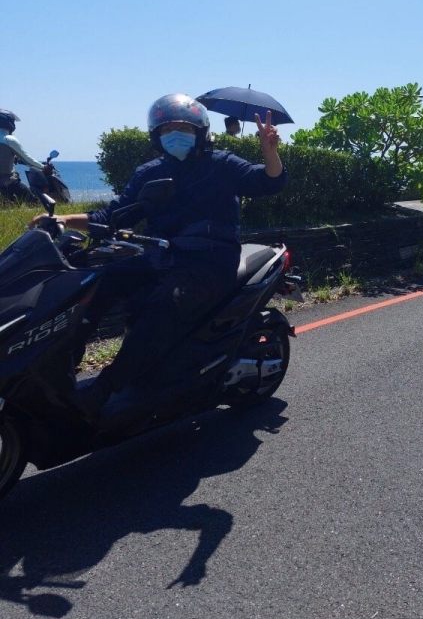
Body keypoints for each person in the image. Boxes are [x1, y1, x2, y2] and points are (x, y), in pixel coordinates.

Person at [32, 93, 286, 422]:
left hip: (209, 263)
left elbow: (269, 182)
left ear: (201, 131)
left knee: (165, 305)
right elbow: (112, 215)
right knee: (95, 281)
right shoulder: (149, 172)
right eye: (168, 129)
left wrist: (271, 153)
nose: (176, 134)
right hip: (161, 257)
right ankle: (63, 365)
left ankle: (107, 388)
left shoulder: (221, 164)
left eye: (184, 127)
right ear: (156, 136)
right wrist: (64, 221)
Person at [0, 109, 51, 204]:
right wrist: (43, 167)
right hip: (7, 181)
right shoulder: (9, 139)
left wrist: (14, 159)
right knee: (33, 202)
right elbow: (27, 159)